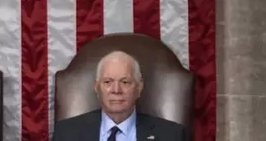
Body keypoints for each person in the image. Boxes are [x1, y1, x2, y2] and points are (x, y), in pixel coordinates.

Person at [51, 51, 188, 141]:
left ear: (139, 87)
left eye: (125, 82)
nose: (116, 90)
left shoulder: (172, 135)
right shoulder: (66, 134)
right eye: (107, 82)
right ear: (96, 88)